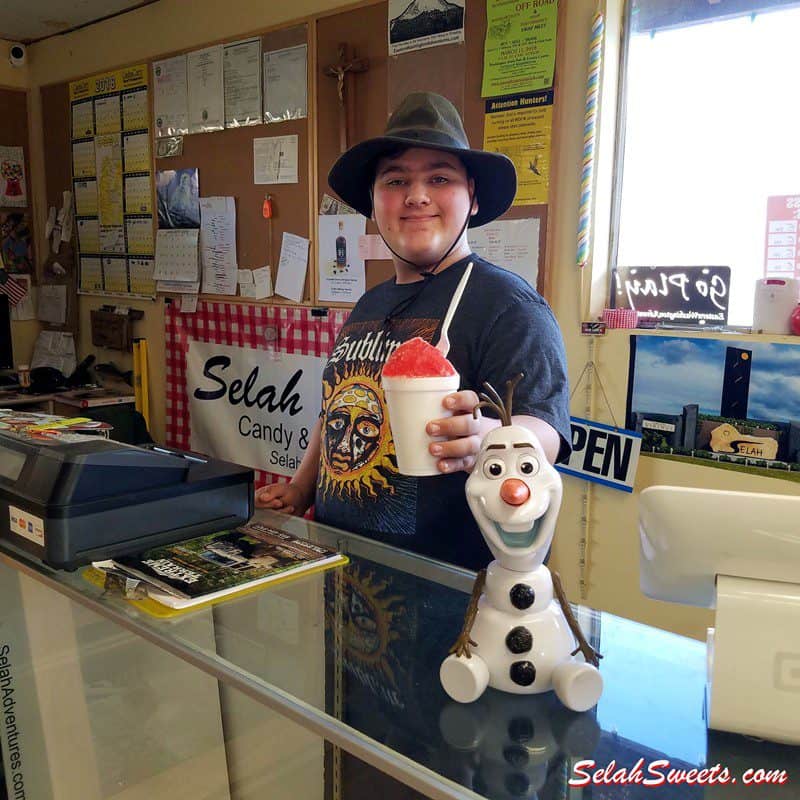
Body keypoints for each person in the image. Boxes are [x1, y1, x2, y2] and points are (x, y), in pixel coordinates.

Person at [256, 92, 570, 571]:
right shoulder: (368, 304)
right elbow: (335, 406)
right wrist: (301, 488)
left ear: (474, 197)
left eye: (439, 178)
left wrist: (485, 436)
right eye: (396, 180)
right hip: (342, 572)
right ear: (375, 201)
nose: (416, 195)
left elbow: (542, 431)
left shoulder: (510, 307)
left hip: (447, 593)